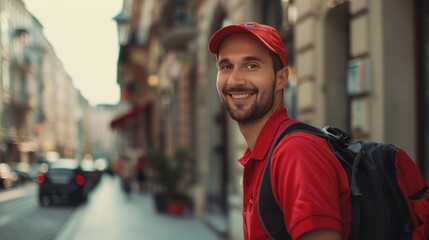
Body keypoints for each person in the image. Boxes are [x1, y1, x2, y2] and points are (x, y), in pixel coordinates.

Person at [208, 22, 352, 240]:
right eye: (226, 66)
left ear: (281, 79)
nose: (235, 80)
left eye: (252, 65)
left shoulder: (295, 153)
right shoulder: (262, 155)